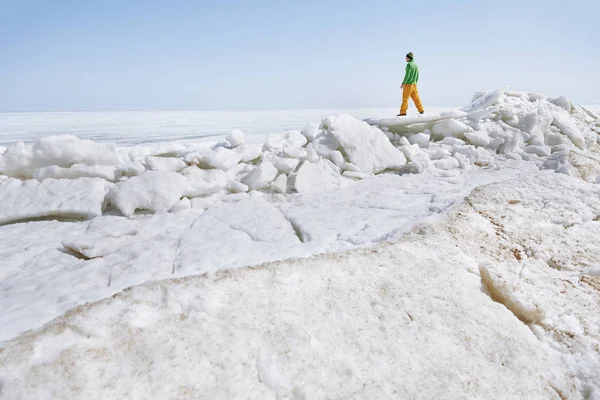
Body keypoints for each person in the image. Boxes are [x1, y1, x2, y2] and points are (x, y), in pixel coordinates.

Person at [398, 52, 424, 116]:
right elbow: (417, 75)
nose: (405, 58)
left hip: (408, 84)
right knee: (416, 98)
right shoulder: (416, 65)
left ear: (409, 58)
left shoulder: (409, 65)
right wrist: (415, 82)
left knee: (405, 99)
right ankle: (421, 110)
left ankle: (403, 112)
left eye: (406, 57)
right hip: (414, 84)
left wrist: (403, 83)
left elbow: (407, 75)